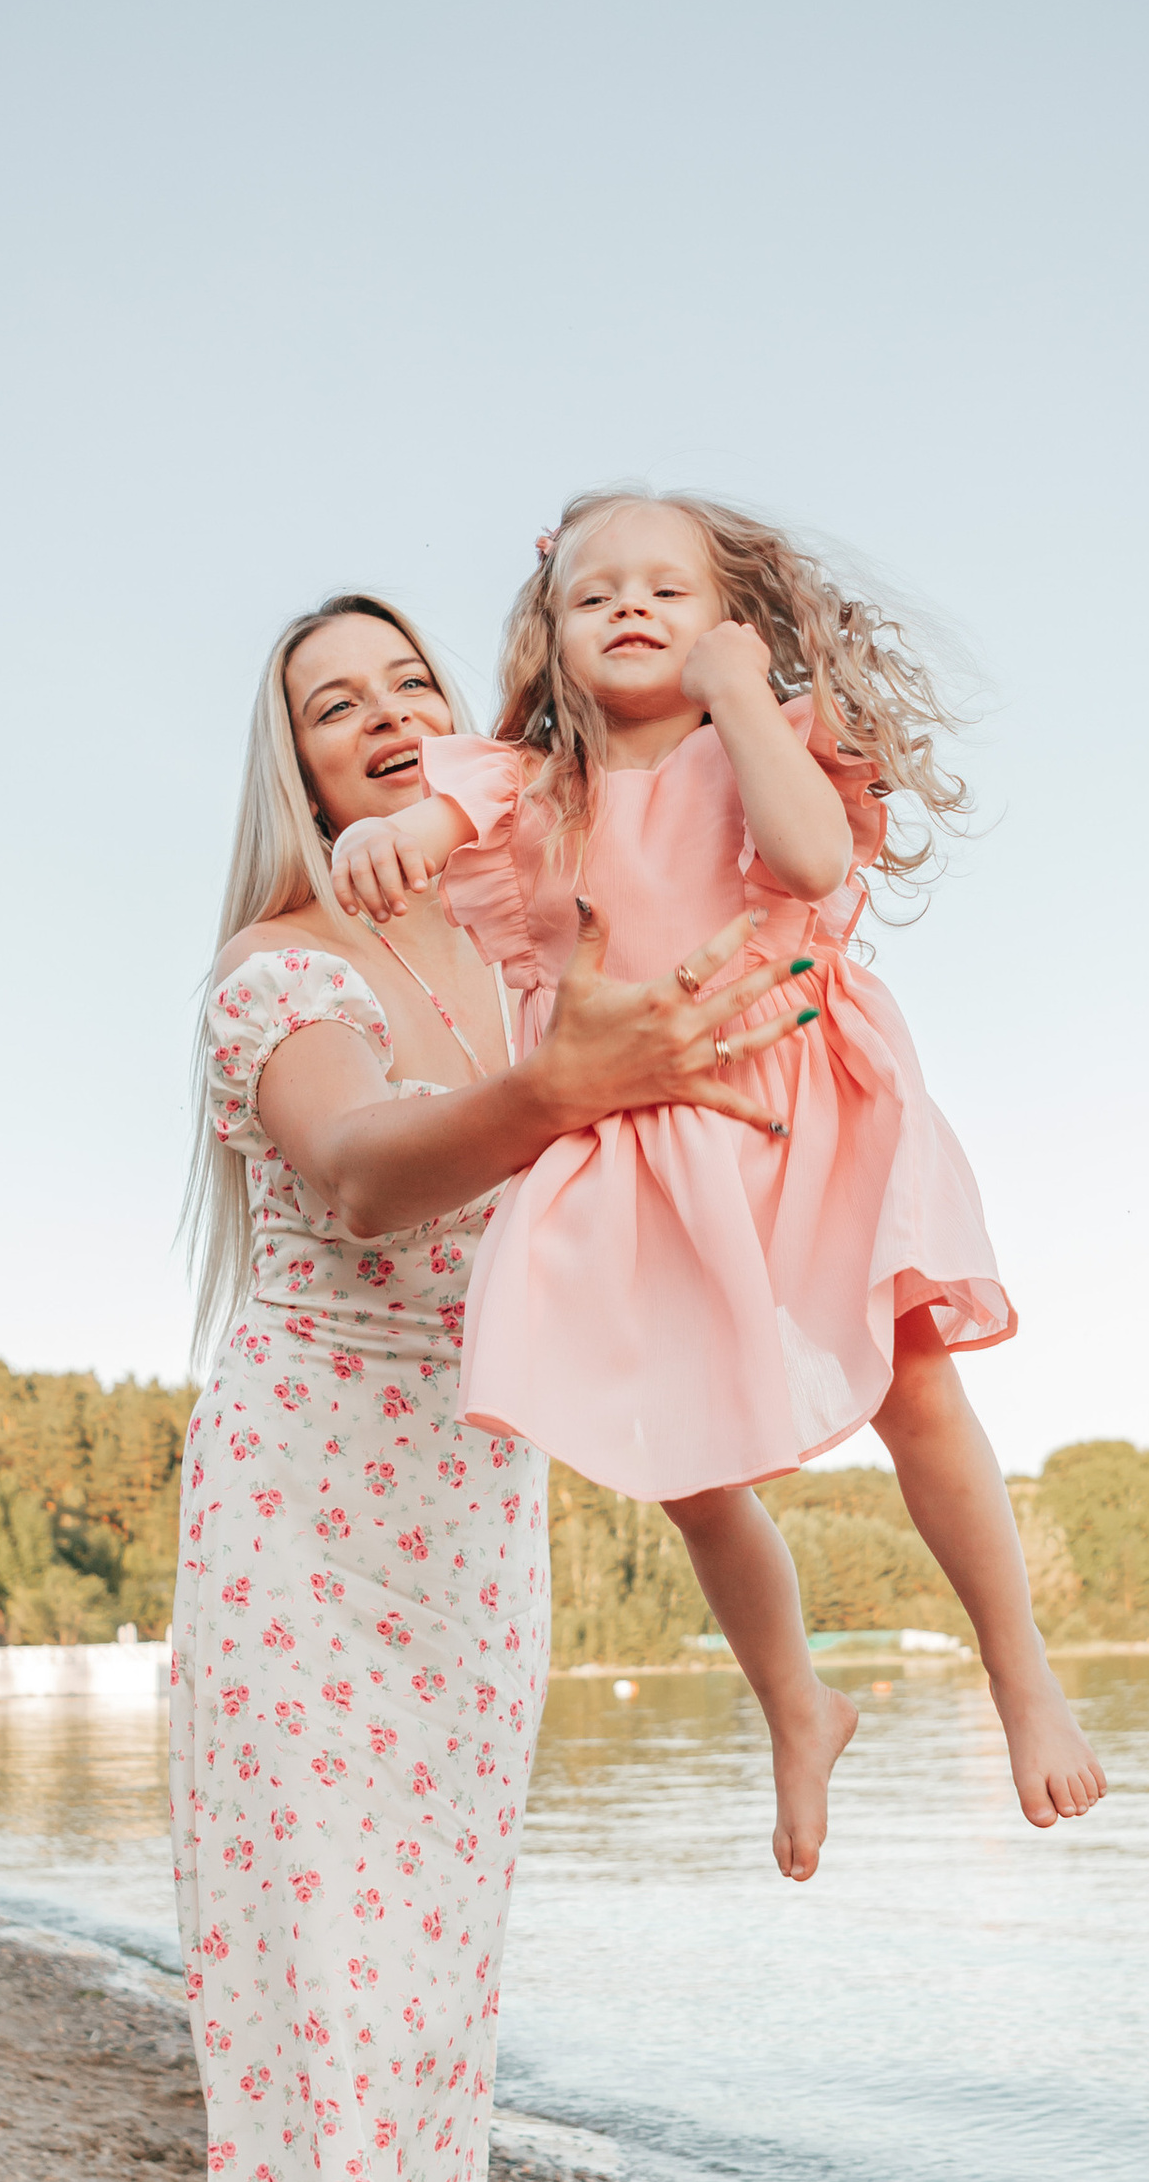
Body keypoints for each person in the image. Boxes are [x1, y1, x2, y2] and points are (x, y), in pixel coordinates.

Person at [172, 590, 802, 2182]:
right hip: (301, 1549)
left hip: (471, 1547)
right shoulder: (282, 971)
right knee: (324, 2058)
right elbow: (356, 1176)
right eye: (328, 710)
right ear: (290, 766)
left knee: (430, 2039)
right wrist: (568, 1077)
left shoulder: (515, 941)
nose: (376, 727)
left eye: (402, 688)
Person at [324, 488, 1107, 1881]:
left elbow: (808, 859)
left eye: (668, 592)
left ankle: (1021, 1676)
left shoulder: (758, 746)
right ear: (552, 640)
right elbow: (422, 832)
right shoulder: (516, 786)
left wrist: (743, 689)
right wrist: (374, 842)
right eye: (594, 592)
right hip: (646, 1133)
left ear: (727, 624)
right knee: (685, 1469)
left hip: (803, 1095)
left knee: (916, 1384)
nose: (630, 606)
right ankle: (796, 1703)